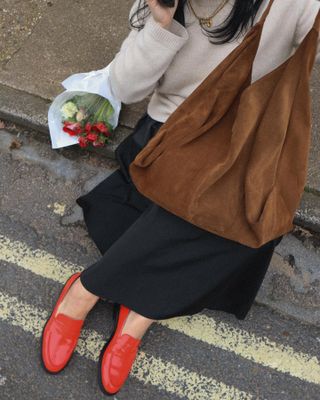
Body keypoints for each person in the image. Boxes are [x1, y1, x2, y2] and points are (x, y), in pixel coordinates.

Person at [40, 0, 320, 396]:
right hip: (172, 135)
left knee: (254, 216)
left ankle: (105, 298)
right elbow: (126, 88)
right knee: (212, 212)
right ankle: (132, 303)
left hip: (245, 144)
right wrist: (160, 23)